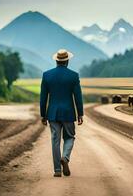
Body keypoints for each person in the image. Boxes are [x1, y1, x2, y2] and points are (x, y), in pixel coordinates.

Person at [40, 49, 84, 177]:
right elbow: (78, 97)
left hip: (53, 113)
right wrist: (80, 113)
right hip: (68, 113)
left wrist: (43, 115)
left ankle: (57, 171)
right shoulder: (74, 76)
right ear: (67, 61)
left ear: (56, 60)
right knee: (69, 137)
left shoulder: (47, 75)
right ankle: (65, 157)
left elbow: (43, 98)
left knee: (55, 140)